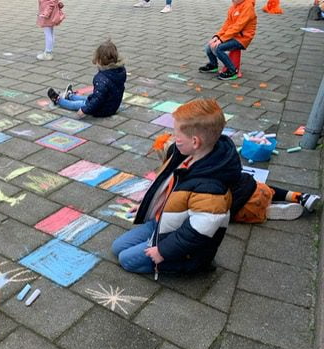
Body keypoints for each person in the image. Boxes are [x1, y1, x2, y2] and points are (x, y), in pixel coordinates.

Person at [111, 99, 241, 276]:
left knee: (126, 260)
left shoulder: (211, 189)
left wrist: (162, 251)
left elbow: (196, 232)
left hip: (184, 247)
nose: (173, 137)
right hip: (164, 223)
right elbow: (167, 188)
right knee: (117, 247)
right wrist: (147, 205)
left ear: (195, 142)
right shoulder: (186, 154)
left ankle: (191, 266)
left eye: (177, 134)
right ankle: (159, 245)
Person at [152, 133, 321, 222]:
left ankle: (267, 212)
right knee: (265, 189)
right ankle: (299, 196)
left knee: (220, 214)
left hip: (243, 205)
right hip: (255, 187)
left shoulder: (186, 176)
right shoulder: (216, 158)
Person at [47, 39, 126, 118]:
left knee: (77, 104)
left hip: (102, 109)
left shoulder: (101, 78)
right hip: (113, 105)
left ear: (99, 60)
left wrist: (85, 110)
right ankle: (70, 96)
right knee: (88, 98)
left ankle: (58, 100)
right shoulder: (120, 71)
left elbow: (97, 99)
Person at [199, 0, 257, 81]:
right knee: (209, 46)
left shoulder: (248, 6)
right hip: (233, 36)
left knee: (218, 48)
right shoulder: (233, 7)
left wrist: (222, 39)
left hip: (242, 39)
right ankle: (213, 65)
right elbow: (227, 25)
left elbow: (238, 27)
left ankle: (232, 71)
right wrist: (217, 36)